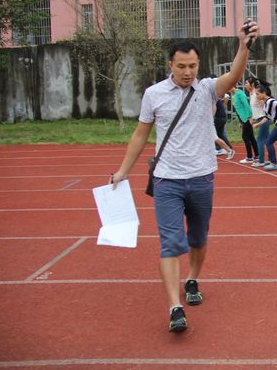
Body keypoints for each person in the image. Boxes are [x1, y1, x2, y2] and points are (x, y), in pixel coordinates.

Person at [109, 22, 259, 333]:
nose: (187, 72)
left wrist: (243, 46)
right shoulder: (154, 94)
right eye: (181, 66)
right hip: (167, 180)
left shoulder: (207, 89)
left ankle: (192, 279)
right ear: (170, 65)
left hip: (202, 178)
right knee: (169, 243)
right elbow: (140, 135)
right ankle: (175, 307)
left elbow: (233, 76)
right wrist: (123, 171)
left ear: (198, 65)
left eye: (192, 66)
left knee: (198, 238)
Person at [253, 84, 277, 171]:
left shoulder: (271, 101)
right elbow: (267, 117)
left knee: (268, 142)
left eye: (258, 94)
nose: (257, 96)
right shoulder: (266, 104)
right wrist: (258, 124)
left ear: (264, 93)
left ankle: (273, 163)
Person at [231, 85, 258, 164]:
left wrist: (250, 116)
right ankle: (257, 155)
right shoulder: (233, 95)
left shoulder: (240, 93)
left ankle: (249, 157)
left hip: (247, 118)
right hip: (242, 118)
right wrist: (240, 121)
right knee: (251, 137)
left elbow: (246, 105)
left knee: (245, 137)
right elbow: (237, 109)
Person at [248, 77, 271, 168]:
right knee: (268, 140)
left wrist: (263, 105)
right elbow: (254, 108)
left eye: (246, 83)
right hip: (259, 118)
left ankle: (261, 161)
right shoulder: (252, 94)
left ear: (252, 84)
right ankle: (271, 159)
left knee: (260, 140)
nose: (245, 85)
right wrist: (252, 118)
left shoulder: (257, 95)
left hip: (263, 118)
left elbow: (265, 104)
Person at [213, 94, 234, 159]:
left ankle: (220, 149)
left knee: (215, 135)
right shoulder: (216, 98)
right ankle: (229, 148)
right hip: (222, 117)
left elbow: (215, 109)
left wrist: (212, 117)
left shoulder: (214, 99)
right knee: (220, 134)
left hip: (218, 118)